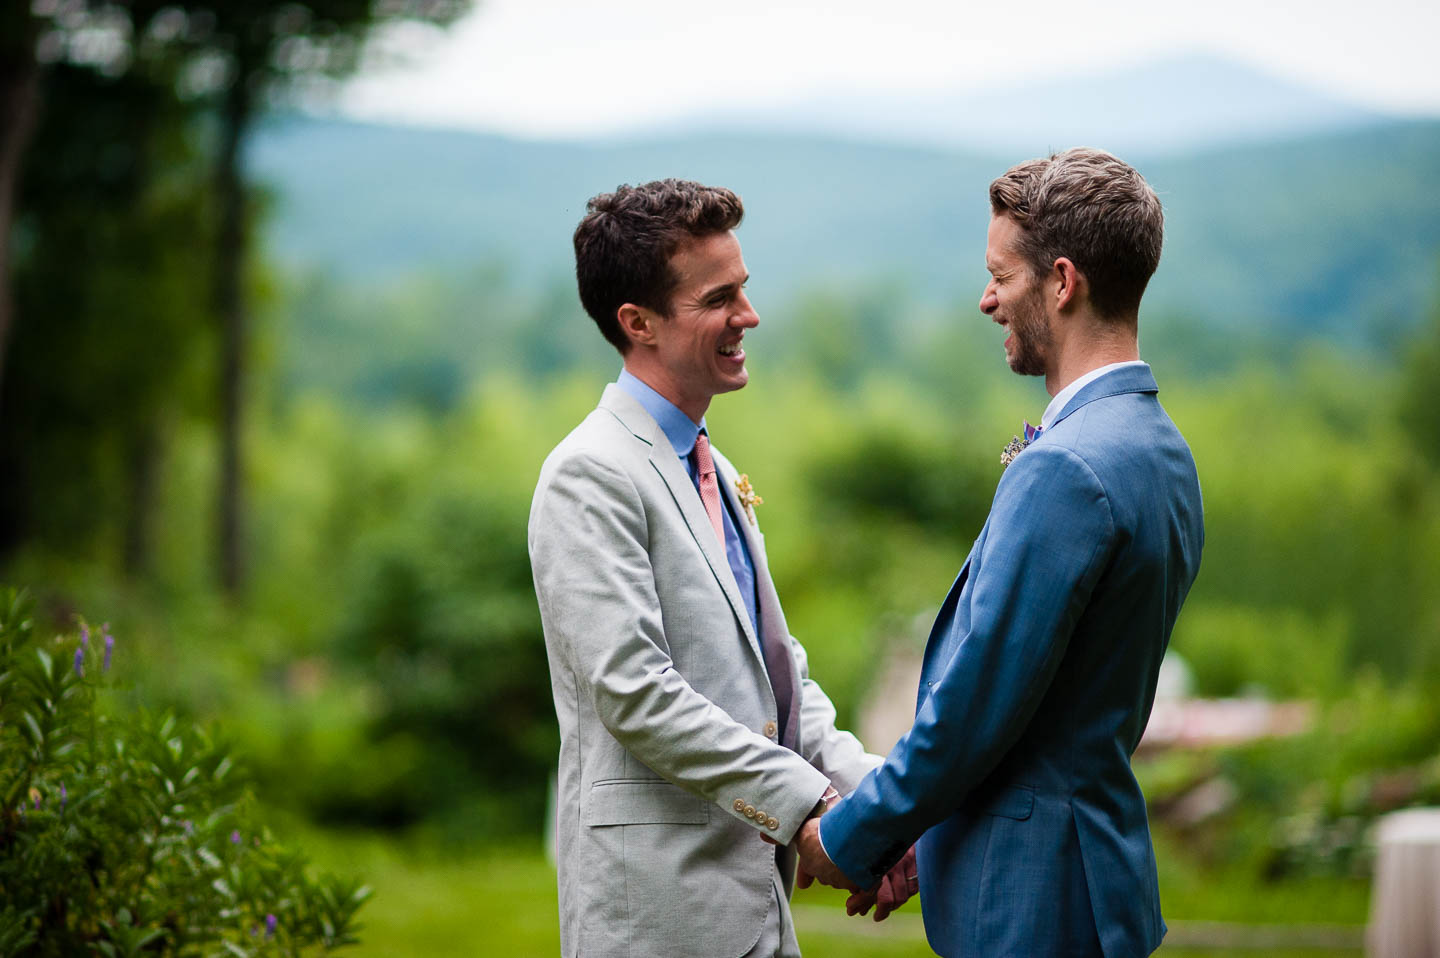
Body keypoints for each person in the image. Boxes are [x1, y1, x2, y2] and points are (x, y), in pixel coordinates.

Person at [793, 148, 1205, 957]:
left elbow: (975, 708)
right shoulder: (1160, 448)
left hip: (1036, 893)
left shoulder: (1066, 467)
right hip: (1096, 872)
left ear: (1061, 281)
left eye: (1001, 274)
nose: (986, 299)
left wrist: (850, 836)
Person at [528, 178, 913, 958]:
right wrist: (812, 807)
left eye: (745, 289)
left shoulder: (713, 465)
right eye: (720, 298)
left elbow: (778, 680)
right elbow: (637, 695)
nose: (749, 315)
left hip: (751, 910)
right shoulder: (591, 473)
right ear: (637, 323)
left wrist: (876, 808)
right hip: (661, 918)